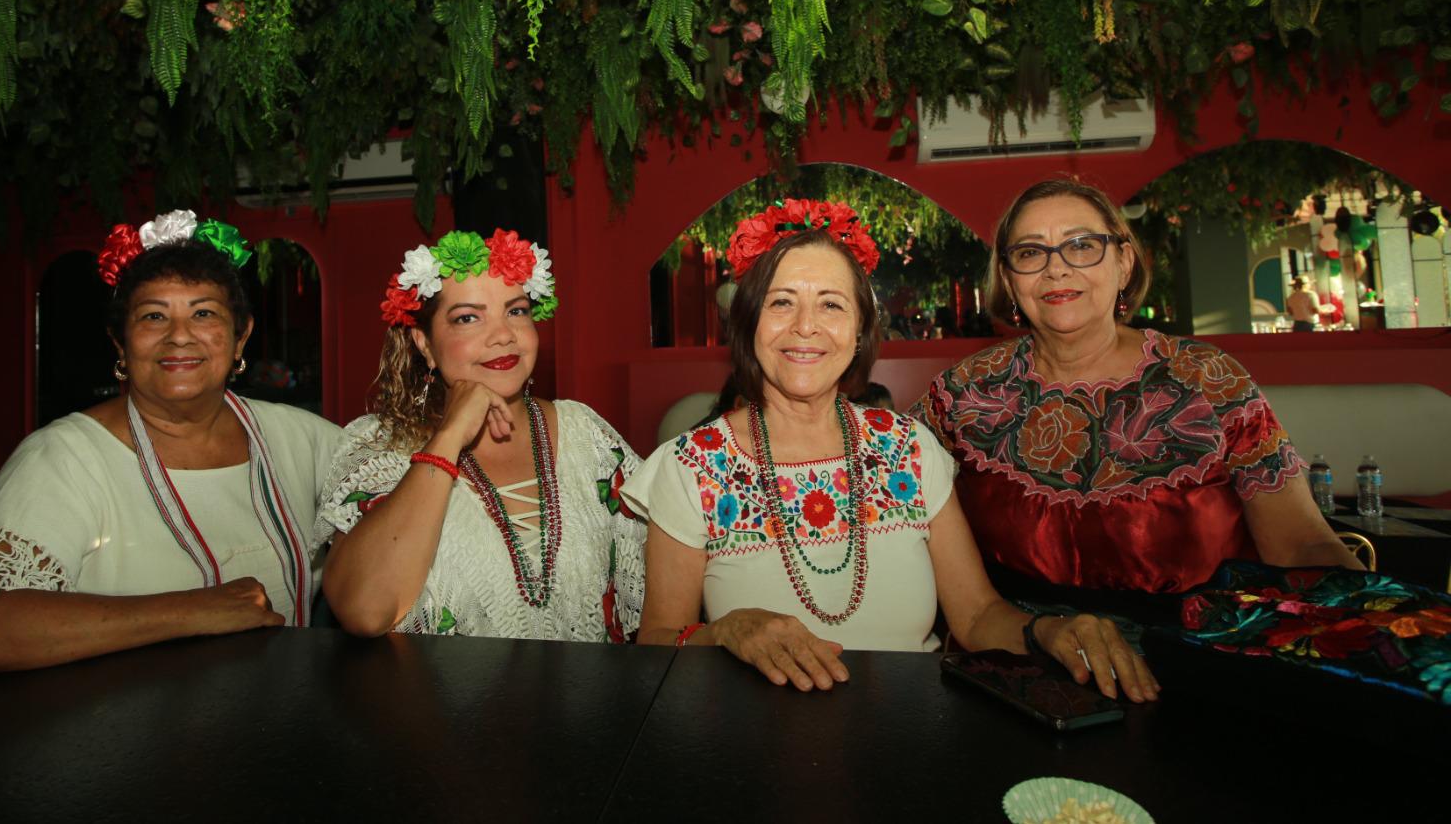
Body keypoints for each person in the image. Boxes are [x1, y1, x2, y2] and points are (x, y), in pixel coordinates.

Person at [625, 199, 1156, 700]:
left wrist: (1051, 630)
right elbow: (655, 641)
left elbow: (974, 618)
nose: (805, 326)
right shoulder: (690, 465)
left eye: (830, 304)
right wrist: (725, 631)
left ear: (858, 331)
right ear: (749, 323)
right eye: (781, 302)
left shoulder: (907, 446)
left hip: (916, 736)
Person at [0, 211, 345, 689]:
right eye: (154, 316)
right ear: (120, 341)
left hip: (279, 731)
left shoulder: (306, 439)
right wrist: (186, 610)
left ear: (241, 337)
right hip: (121, 747)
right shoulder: (65, 458)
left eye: (204, 313)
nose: (179, 334)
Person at [917, 178, 1358, 623]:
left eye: (1082, 245)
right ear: (1009, 280)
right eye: (1031, 253)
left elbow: (1301, 543)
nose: (1057, 269)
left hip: (1194, 661)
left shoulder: (1208, 379)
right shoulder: (964, 391)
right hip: (1018, 655)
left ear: (1124, 263)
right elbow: (880, 485)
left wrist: (1370, 620)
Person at [318, 229, 644, 642]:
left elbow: (668, 583)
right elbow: (364, 611)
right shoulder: (378, 447)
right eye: (468, 318)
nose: (503, 334)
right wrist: (450, 436)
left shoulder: (586, 432)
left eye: (517, 311)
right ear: (425, 344)